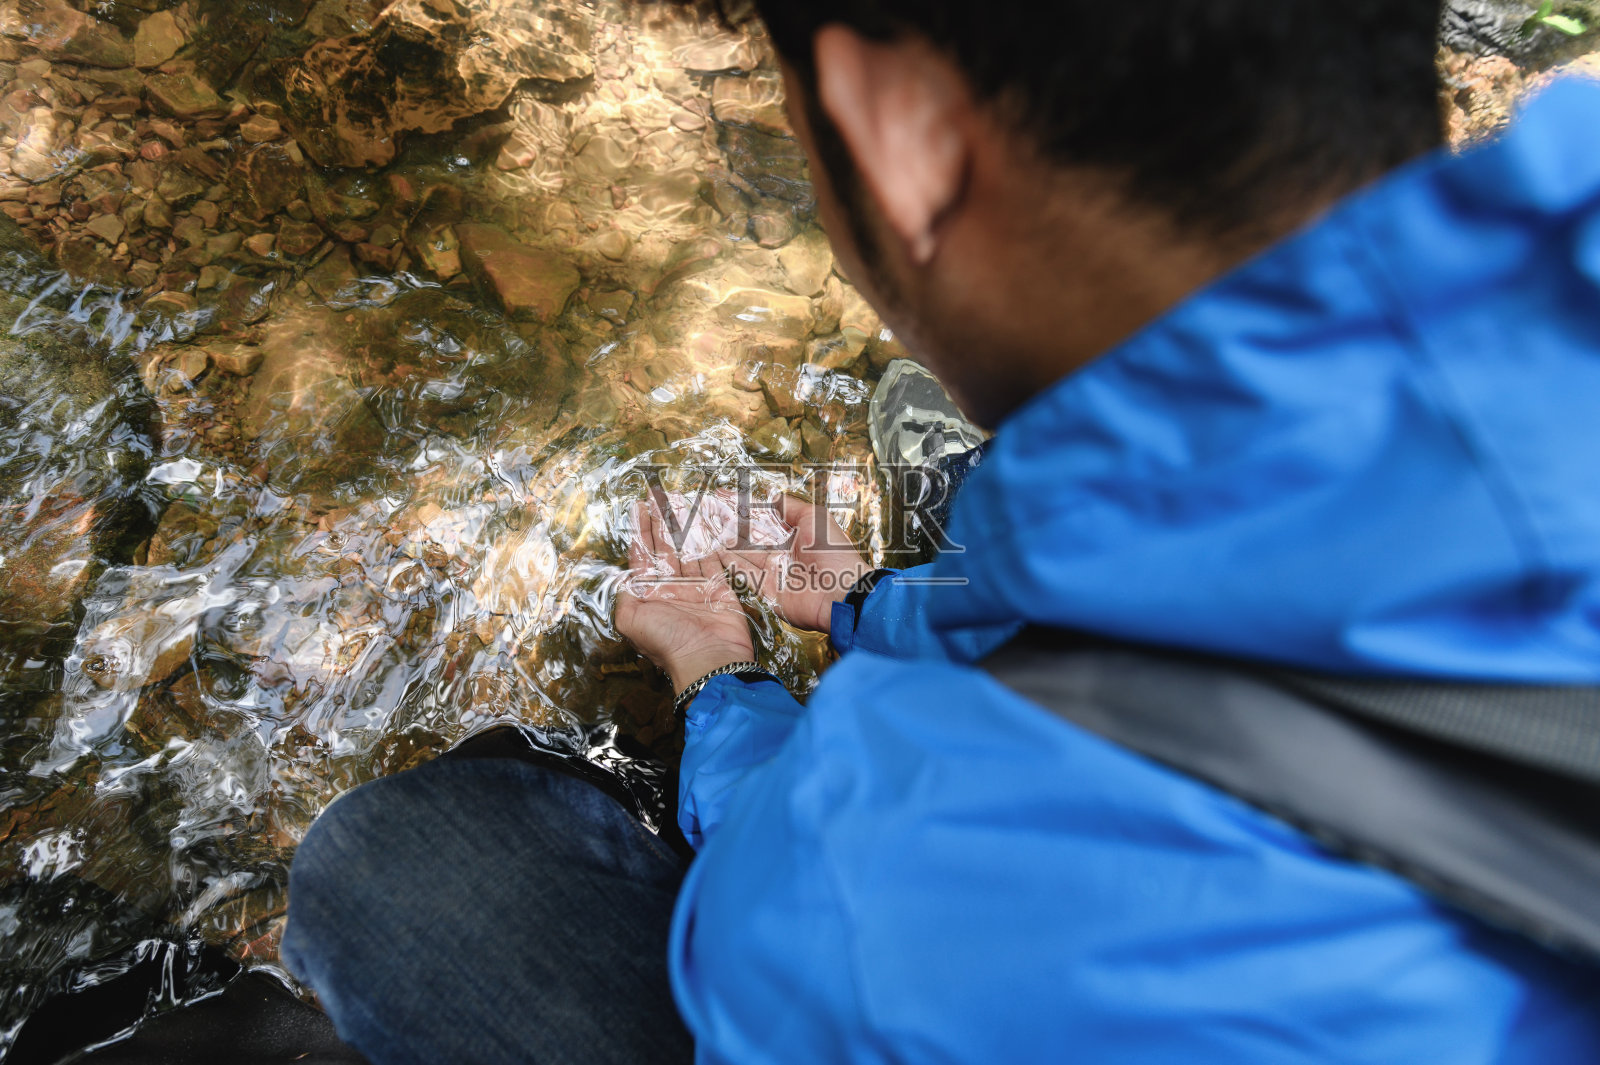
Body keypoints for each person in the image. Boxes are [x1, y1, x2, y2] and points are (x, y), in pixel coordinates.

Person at [282, 1, 1600, 1062]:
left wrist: (721, 675)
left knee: (397, 876)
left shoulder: (893, 901)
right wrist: (869, 607)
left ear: (893, 125)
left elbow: (808, 892)